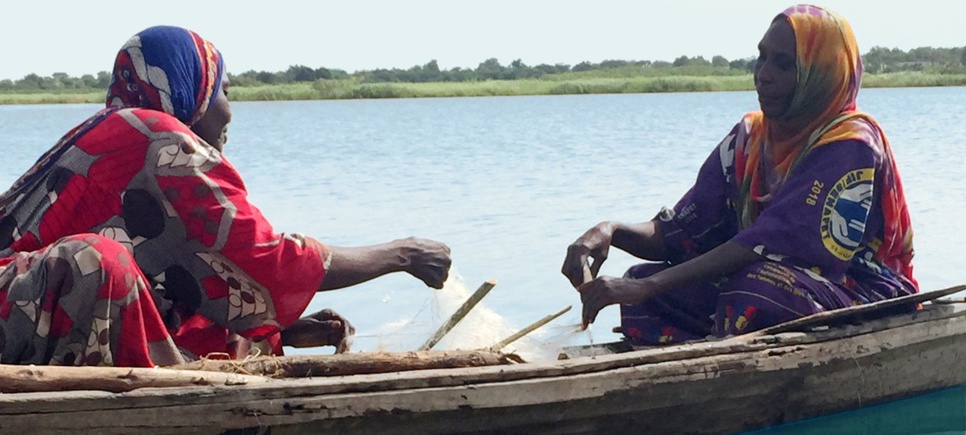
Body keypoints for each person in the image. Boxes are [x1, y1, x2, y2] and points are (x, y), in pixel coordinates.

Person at [0, 26, 451, 367]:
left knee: (207, 282)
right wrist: (403, 255)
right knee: (95, 262)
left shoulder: (118, 130)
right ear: (190, 89)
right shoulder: (156, 138)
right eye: (224, 92)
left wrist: (281, 333)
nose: (229, 110)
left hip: (20, 317)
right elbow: (266, 259)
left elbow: (200, 272)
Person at [561, 5, 917, 346]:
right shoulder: (749, 139)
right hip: (771, 285)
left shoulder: (850, 143)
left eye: (783, 64)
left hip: (860, 290)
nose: (763, 74)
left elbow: (770, 242)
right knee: (638, 283)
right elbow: (683, 232)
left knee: (752, 287)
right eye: (761, 58)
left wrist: (652, 285)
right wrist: (610, 231)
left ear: (821, 74)